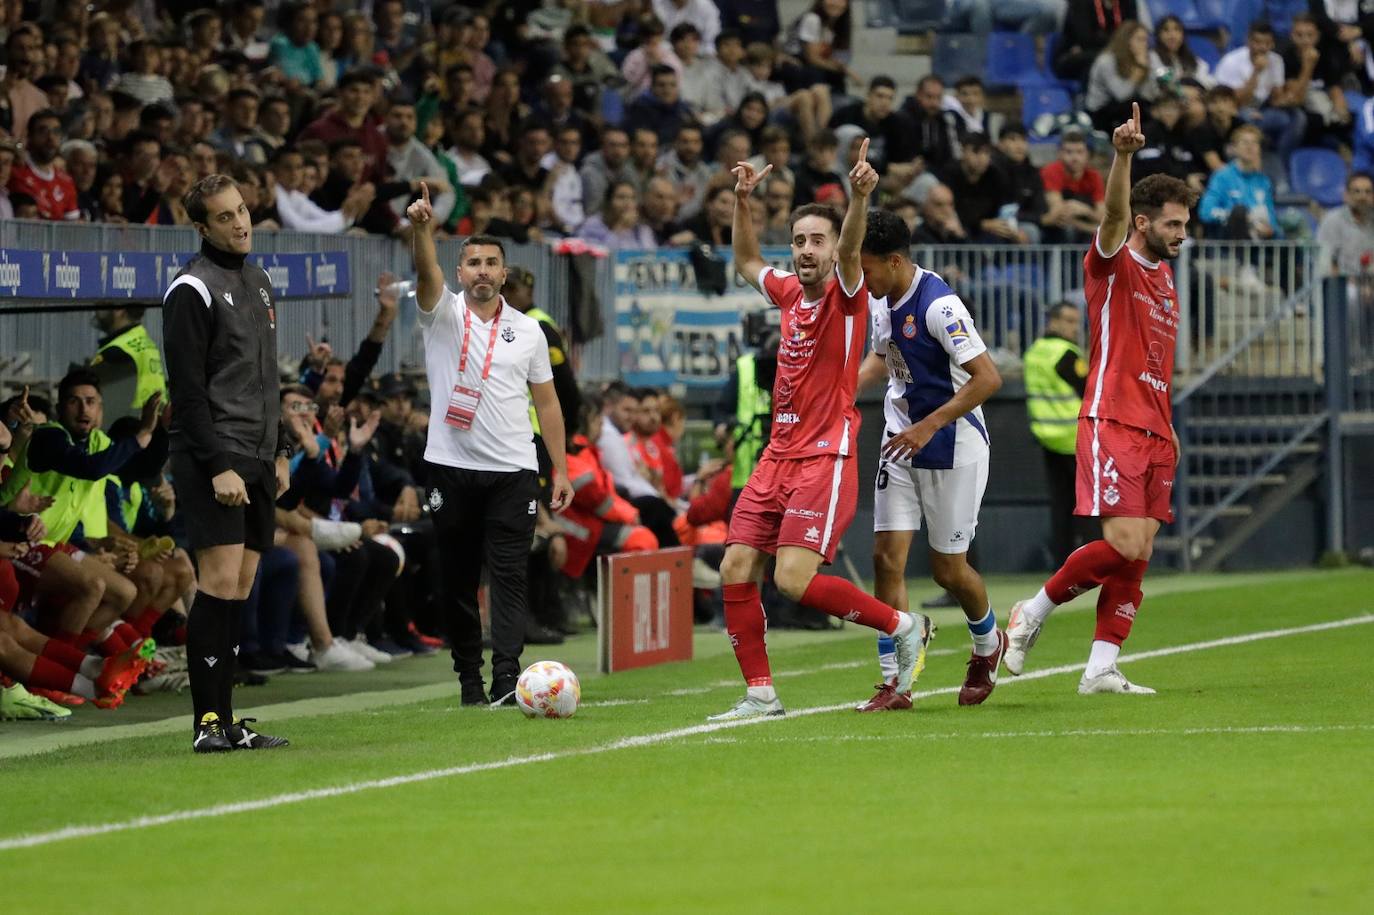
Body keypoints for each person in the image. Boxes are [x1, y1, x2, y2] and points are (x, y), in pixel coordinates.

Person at [709, 137, 931, 721]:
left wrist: (859, 199)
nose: (807, 250)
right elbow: (746, 262)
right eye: (801, 241)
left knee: (792, 581)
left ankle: (904, 625)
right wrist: (741, 203)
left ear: (836, 250)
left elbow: (855, 251)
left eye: (818, 241)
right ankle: (761, 694)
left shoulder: (847, 296)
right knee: (734, 566)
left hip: (824, 459)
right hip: (775, 457)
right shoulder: (788, 294)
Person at [1006, 104, 1194, 695]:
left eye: (1185, 225)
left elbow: (1158, 365)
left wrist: (1169, 426)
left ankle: (1100, 668)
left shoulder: (1166, 278)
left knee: (1140, 553)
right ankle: (1031, 611)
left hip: (1153, 428)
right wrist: (1122, 155)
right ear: (1142, 224)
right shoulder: (1112, 263)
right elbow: (1111, 213)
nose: (1181, 235)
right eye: (1171, 226)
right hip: (1110, 418)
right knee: (1123, 543)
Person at [407, 183, 574, 708]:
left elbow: (547, 405)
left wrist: (561, 471)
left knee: (509, 577)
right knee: (457, 579)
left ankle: (507, 679)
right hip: (449, 467)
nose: (481, 270)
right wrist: (422, 230)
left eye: (490, 263)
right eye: (472, 262)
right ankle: (469, 681)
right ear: (460, 273)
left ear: (505, 273)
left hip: (513, 471)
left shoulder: (527, 332)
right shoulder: (440, 313)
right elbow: (426, 273)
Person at [852, 209, 1005, 711]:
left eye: (868, 267)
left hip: (951, 444)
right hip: (900, 438)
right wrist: (839, 394)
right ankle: (896, 682)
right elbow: (883, 356)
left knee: (947, 572)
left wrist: (930, 424)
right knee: (885, 558)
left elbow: (987, 379)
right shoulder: (883, 298)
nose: (863, 278)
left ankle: (987, 645)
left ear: (894, 261)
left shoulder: (940, 306)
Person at [163, 173, 292, 752]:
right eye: (224, 217)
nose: (240, 223)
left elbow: (267, 376)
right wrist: (218, 464)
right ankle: (206, 724)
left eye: (242, 211)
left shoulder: (260, 281)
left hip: (259, 456)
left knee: (240, 587)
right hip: (216, 457)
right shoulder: (191, 288)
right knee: (216, 584)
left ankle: (230, 719)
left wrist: (281, 449)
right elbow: (188, 392)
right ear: (201, 227)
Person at [1023, 302, 1093, 565]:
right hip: (1074, 437)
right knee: (1087, 505)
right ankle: (1091, 563)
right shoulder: (1066, 354)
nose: (1075, 328)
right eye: (1069, 321)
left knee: (1061, 504)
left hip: (1046, 436)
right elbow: (1088, 389)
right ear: (1053, 321)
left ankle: (1063, 566)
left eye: (1077, 322)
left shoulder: (1034, 352)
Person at [88, 304, 169, 424]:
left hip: (129, 427)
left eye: (103, 304)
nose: (97, 312)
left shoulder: (116, 351)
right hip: (151, 425)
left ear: (119, 309)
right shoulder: (144, 341)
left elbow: (106, 405)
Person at [1317, 172, 1374, 276]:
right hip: (1340, 286)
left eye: (1368, 192)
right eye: (1357, 191)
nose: (1362, 197)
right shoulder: (1333, 220)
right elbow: (1325, 264)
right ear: (1346, 196)